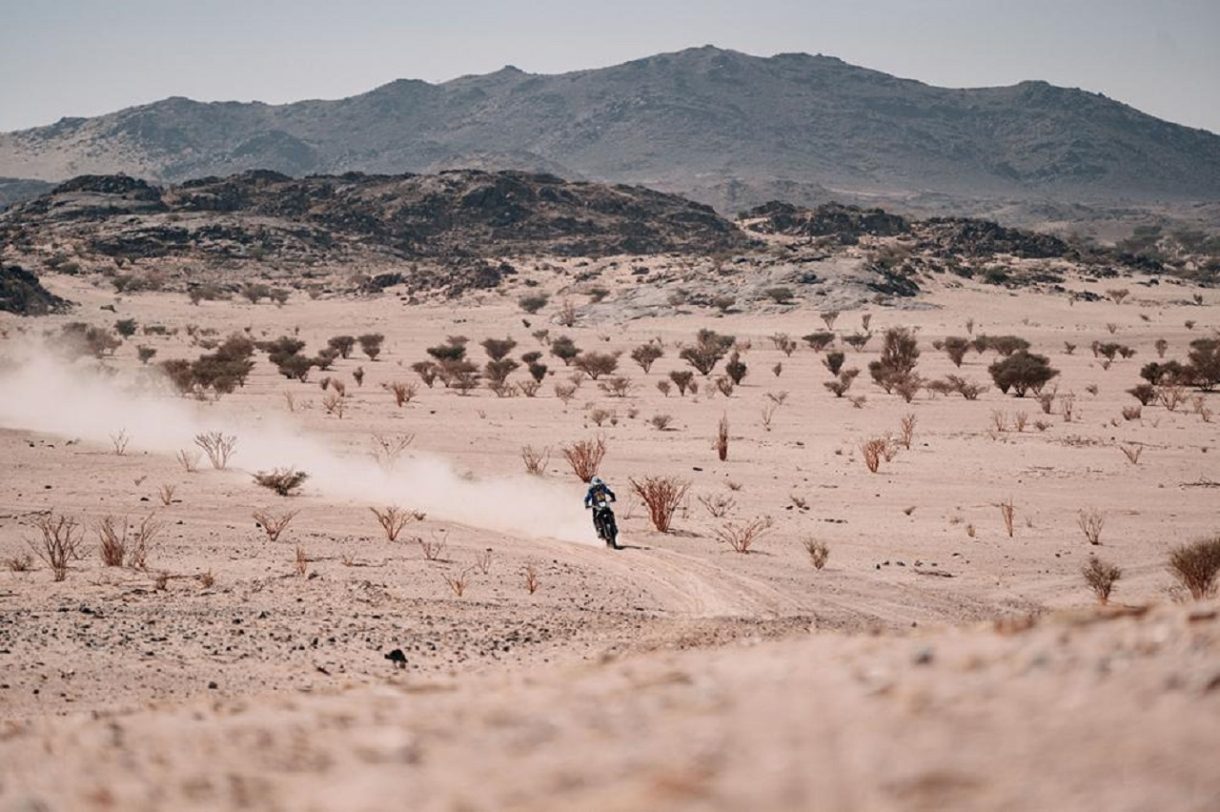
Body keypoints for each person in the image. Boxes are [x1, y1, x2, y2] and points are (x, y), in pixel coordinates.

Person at [583, 476, 617, 546]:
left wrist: (612, 496)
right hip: (596, 506)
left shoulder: (603, 487)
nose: (598, 487)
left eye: (599, 485)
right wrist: (587, 504)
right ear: (593, 485)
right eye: (596, 486)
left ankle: (613, 525)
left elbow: (609, 492)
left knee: (610, 512)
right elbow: (587, 498)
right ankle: (598, 530)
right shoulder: (591, 490)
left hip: (604, 504)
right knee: (595, 518)